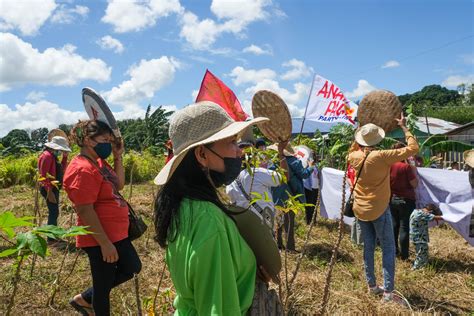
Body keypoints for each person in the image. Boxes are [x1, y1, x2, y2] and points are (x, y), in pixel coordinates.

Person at [153, 101, 270, 315]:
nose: (239, 152)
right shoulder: (210, 220)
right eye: (232, 142)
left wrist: (247, 268)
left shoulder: (183, 205)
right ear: (202, 155)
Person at [64, 120, 141, 315]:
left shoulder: (98, 162)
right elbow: (84, 210)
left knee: (132, 267)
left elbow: (120, 185)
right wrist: (105, 243)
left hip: (116, 233)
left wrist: (117, 157)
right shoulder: (81, 169)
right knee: (103, 286)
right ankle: (88, 301)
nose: (108, 143)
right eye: (105, 140)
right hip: (100, 238)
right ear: (89, 141)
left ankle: (85, 299)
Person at [348, 113, 419, 305]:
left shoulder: (352, 156)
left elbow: (355, 146)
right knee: (388, 249)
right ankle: (388, 292)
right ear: (377, 139)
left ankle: (372, 286)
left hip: (360, 209)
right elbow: (413, 148)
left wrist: (360, 132)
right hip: (379, 209)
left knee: (368, 249)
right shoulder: (383, 156)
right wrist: (404, 127)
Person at [226, 141, 288, 231]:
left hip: (240, 225)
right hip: (261, 225)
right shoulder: (258, 173)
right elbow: (284, 177)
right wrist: (281, 153)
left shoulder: (230, 181)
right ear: (254, 157)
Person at [272, 144, 314, 252]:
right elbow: (304, 174)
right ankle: (290, 248)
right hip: (290, 194)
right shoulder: (293, 161)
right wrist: (310, 166)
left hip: (276, 194)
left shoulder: (273, 161)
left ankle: (278, 245)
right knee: (289, 222)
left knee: (278, 220)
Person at [38, 136, 71, 243]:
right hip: (48, 188)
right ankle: (51, 239)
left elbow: (60, 169)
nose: (61, 151)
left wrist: (65, 158)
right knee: (53, 211)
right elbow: (44, 176)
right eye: (61, 150)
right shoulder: (47, 156)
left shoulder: (52, 156)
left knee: (54, 211)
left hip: (53, 187)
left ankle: (53, 236)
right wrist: (49, 192)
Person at [389, 143, 418, 260]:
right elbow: (414, 184)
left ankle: (394, 251)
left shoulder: (388, 166)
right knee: (404, 227)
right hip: (406, 200)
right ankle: (404, 255)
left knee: (394, 226)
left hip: (392, 199)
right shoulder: (406, 167)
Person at [410, 204, 443, 270]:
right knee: (421, 253)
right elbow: (437, 217)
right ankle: (416, 268)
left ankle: (423, 266)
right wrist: (450, 217)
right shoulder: (422, 214)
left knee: (422, 252)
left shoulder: (416, 211)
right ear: (430, 211)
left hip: (417, 237)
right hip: (419, 238)